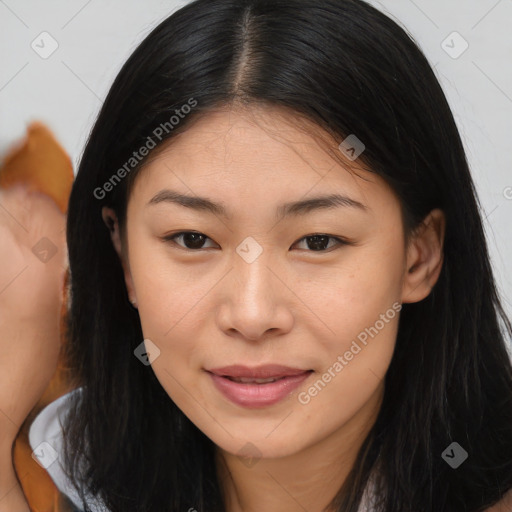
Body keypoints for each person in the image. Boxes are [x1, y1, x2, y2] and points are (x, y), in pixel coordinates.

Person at [2, 0, 512, 510]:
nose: (251, 315)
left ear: (418, 258)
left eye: (318, 241)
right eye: (193, 239)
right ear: (125, 258)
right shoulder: (51, 468)